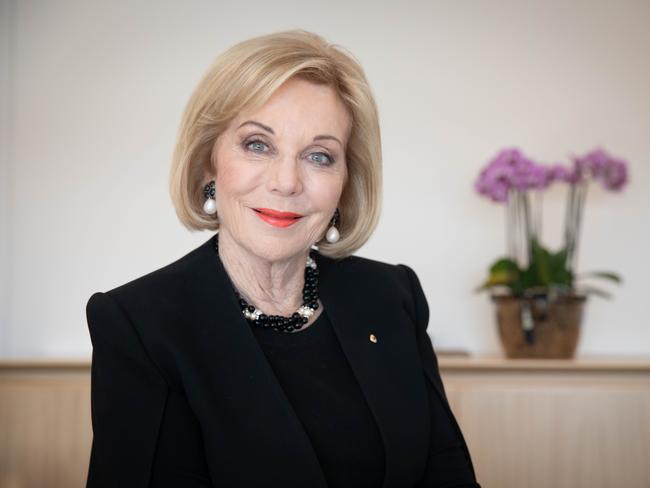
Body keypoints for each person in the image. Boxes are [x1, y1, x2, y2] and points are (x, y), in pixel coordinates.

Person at [85, 29, 480, 488]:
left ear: (346, 181)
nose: (287, 182)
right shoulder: (141, 326)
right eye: (258, 144)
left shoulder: (392, 296)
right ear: (210, 160)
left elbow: (446, 472)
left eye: (319, 156)